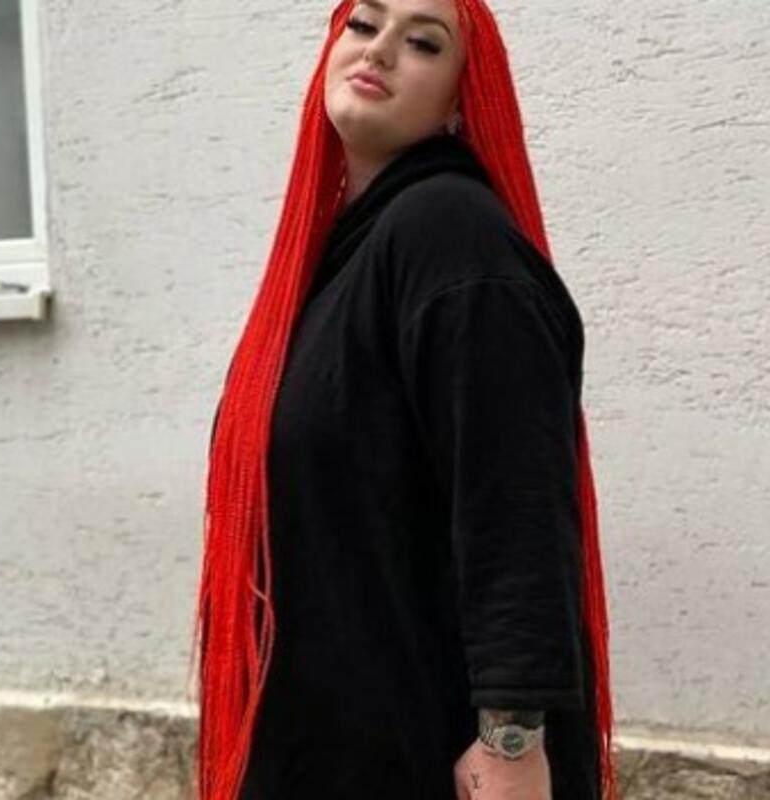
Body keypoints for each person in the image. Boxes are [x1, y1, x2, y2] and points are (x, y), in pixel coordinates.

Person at [189, 1, 617, 798]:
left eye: (423, 43)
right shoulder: (333, 263)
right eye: (363, 25)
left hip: (425, 759)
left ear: (462, 100)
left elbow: (515, 502)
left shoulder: (450, 232)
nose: (379, 50)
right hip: (331, 749)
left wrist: (512, 743)